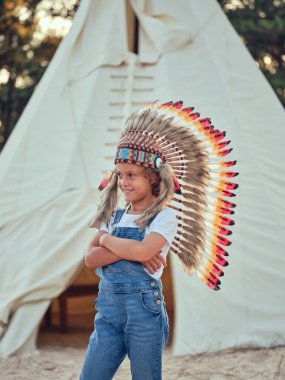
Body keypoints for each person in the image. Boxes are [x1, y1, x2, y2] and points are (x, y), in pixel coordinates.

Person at [80, 100, 238, 379]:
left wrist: (106, 240)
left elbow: (142, 253)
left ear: (153, 178)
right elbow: (90, 259)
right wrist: (133, 249)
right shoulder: (112, 213)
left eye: (132, 175)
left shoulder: (164, 218)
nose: (124, 182)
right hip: (107, 313)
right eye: (120, 176)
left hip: (144, 314)